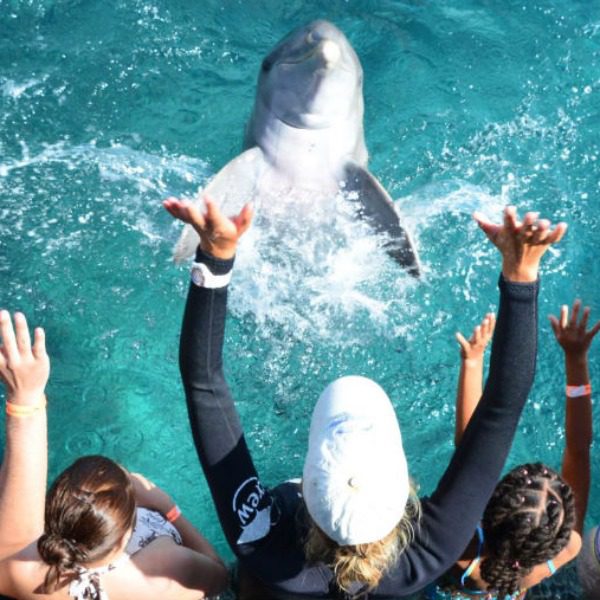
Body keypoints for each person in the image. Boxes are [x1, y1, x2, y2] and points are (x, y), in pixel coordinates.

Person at [164, 195, 566, 598]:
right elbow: (502, 406)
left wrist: (216, 258)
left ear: (309, 477)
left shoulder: (261, 538)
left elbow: (203, 382)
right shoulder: (429, 553)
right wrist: (521, 272)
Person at [0, 310, 228, 599]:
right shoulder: (164, 571)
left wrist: (25, 397)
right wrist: (168, 509)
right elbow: (221, 575)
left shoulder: (29, 581)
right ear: (122, 540)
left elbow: (10, 545)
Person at [428, 298, 598, 599]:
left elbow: (470, 451)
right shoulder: (569, 547)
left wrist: (472, 362)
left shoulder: (457, 547)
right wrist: (576, 360)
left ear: (489, 504)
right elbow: (578, 450)